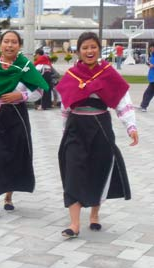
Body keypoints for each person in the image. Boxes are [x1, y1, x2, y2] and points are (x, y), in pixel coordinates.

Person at [56, 32, 138, 238]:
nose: (89, 51)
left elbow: (122, 102)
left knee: (98, 169)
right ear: (79, 52)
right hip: (75, 128)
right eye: (85, 47)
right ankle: (74, 224)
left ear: (99, 49)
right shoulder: (72, 75)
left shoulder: (108, 74)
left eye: (93, 47)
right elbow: (65, 106)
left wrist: (131, 127)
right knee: (72, 171)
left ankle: (94, 214)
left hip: (100, 126)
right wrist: (65, 130)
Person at [0, 31, 48, 219]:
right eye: (6, 41)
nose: (9, 45)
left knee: (15, 156)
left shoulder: (25, 67)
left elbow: (39, 90)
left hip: (17, 117)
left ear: (19, 45)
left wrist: (21, 96)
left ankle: (8, 197)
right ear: (0, 44)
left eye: (14, 42)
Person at [139, 44, 154, 112]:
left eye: (152, 48)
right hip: (152, 76)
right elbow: (148, 62)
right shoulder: (151, 55)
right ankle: (143, 105)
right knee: (148, 93)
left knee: (148, 93)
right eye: (150, 48)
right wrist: (149, 64)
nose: (151, 49)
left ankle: (144, 106)